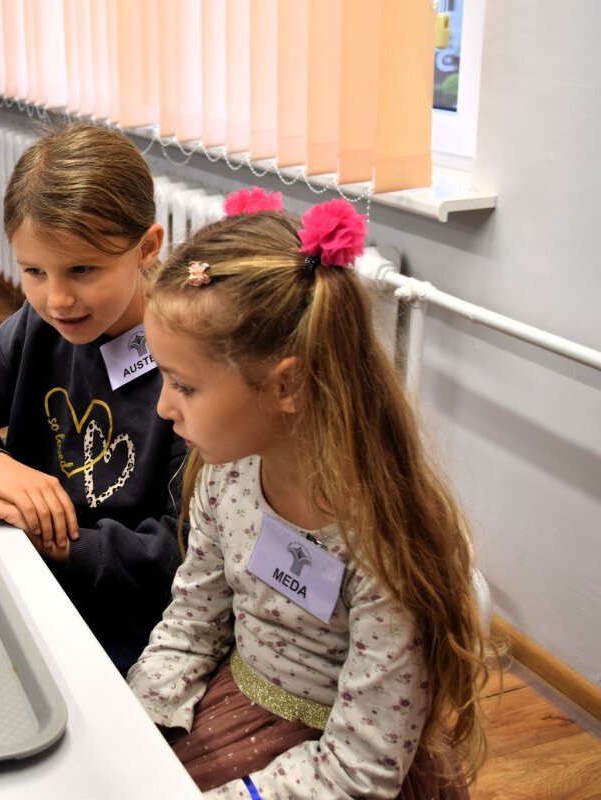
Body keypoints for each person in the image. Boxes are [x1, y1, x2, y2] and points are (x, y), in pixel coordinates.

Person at [126, 188, 489, 797]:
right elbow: (192, 621)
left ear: (286, 385)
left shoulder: (383, 545)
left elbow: (359, 766)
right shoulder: (226, 475)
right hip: (235, 712)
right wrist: (135, 724)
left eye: (183, 386)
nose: (163, 408)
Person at [0, 123, 187, 674]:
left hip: (127, 619)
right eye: (34, 271)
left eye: (83, 269)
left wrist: (55, 539)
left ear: (146, 248)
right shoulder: (39, 326)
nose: (57, 299)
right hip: (26, 570)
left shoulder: (189, 366)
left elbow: (181, 553)